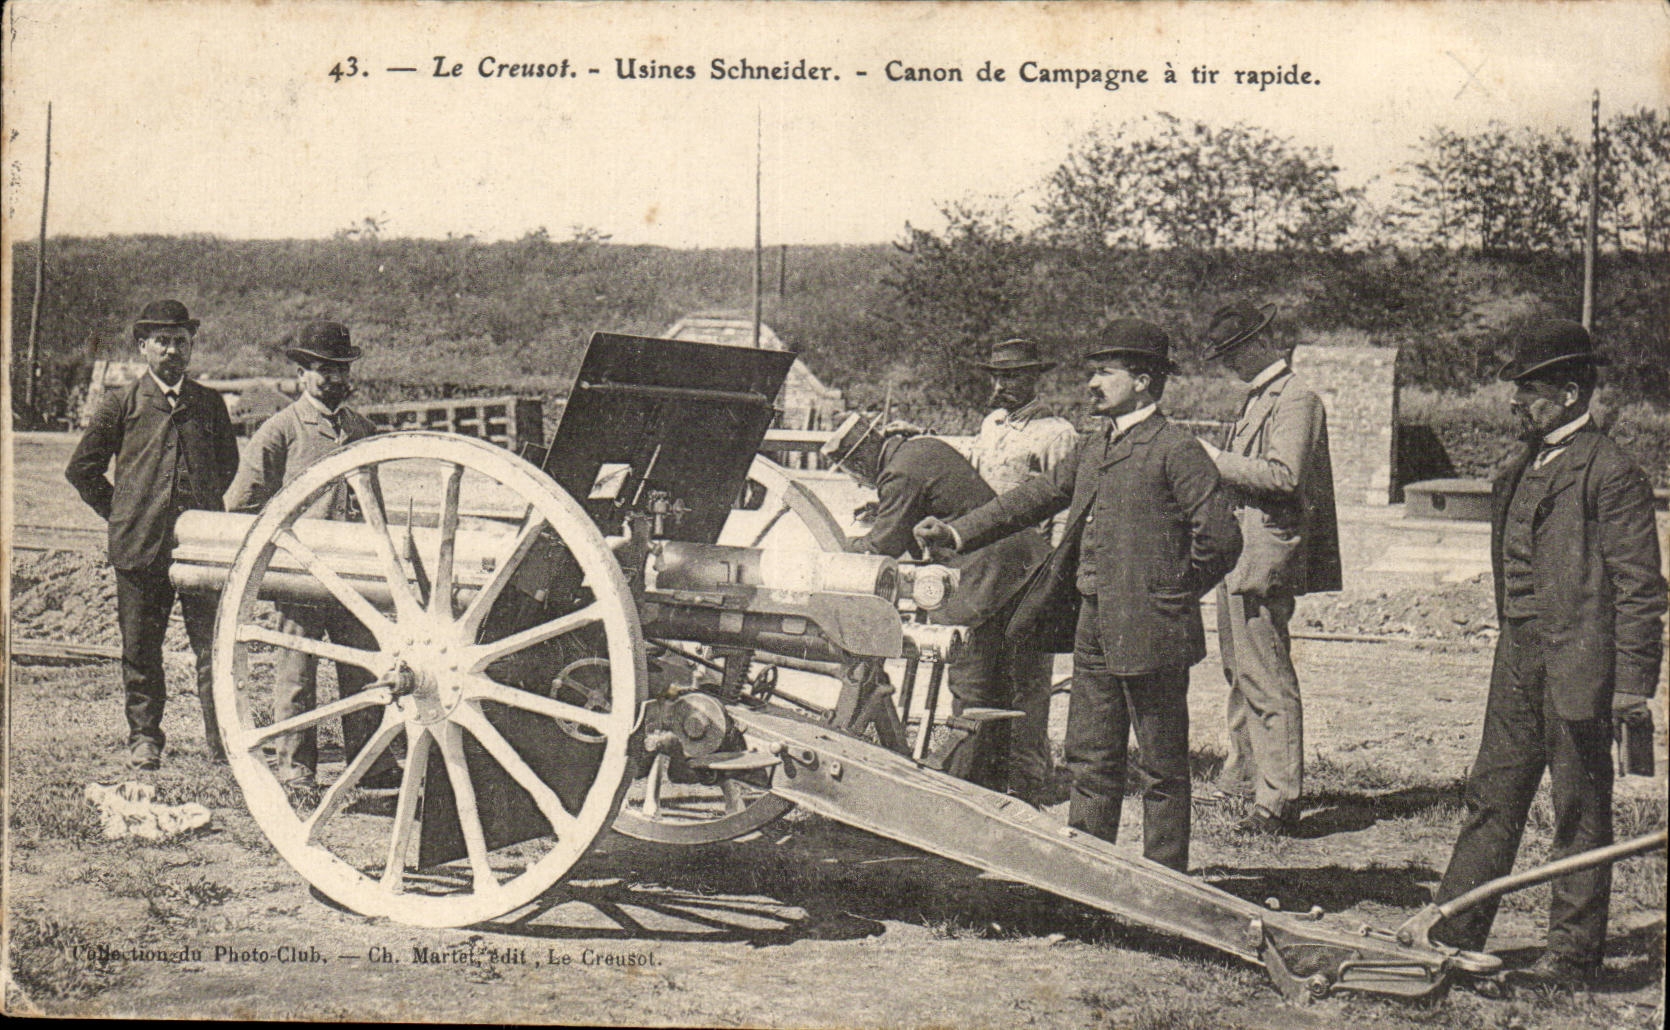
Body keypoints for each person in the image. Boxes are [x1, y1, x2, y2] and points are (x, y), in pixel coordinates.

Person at [916, 319, 1241, 872]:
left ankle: (1164, 884)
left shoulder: (1176, 448)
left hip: (1152, 630)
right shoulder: (1096, 446)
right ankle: (1085, 880)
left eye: (1103, 373)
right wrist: (957, 533)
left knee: (1162, 767)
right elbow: (1036, 496)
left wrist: (1168, 594)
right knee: (1090, 757)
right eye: (1092, 372)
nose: (1091, 383)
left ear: (1142, 381)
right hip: (1091, 624)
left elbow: (1221, 539)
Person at [1432, 319, 1664, 988]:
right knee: (1491, 798)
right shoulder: (1517, 466)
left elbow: (1641, 590)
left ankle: (1572, 958)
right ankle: (1451, 932)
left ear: (1568, 393)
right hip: (1518, 659)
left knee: (1580, 812)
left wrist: (1631, 687)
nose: (1512, 403)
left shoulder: (1612, 473)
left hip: (1582, 667)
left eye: (1526, 391)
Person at [821, 412, 1054, 801]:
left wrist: (843, 549)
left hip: (985, 581)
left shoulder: (898, 475)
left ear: (860, 460)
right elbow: (946, 502)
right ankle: (1003, 782)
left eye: (852, 473)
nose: (858, 481)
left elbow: (882, 548)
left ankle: (962, 789)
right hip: (1021, 567)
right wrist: (886, 512)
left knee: (971, 684)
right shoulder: (923, 449)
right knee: (1007, 684)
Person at [66, 300, 240, 770]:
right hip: (140, 551)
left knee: (212, 647)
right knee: (141, 650)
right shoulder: (121, 402)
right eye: (162, 341)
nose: (172, 350)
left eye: (181, 341)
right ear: (143, 347)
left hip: (201, 549)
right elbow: (82, 470)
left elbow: (227, 466)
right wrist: (123, 515)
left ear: (191, 346)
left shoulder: (208, 403)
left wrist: (198, 511)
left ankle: (222, 742)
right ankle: (145, 739)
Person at [1196, 302, 1341, 835]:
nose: (1229, 364)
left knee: (1267, 673)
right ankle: (1245, 775)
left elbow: (1284, 476)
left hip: (1265, 555)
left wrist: (1213, 458)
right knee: (1240, 668)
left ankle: (1278, 801)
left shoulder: (1296, 399)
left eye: (1233, 353)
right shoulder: (1262, 398)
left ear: (1261, 344)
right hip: (1241, 552)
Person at [226, 321, 384, 792]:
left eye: (340, 370)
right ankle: (295, 767)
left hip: (353, 575)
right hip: (300, 575)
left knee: (363, 667)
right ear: (301, 375)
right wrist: (281, 546)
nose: (333, 380)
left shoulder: (361, 429)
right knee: (296, 672)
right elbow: (240, 502)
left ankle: (370, 762)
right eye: (321, 371)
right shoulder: (281, 431)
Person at [966, 338, 1079, 546]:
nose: (999, 386)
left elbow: (1066, 510)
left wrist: (1053, 565)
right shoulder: (992, 423)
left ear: (1033, 378)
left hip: (1027, 550)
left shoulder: (1057, 433)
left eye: (1010, 377)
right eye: (995, 377)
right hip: (982, 543)